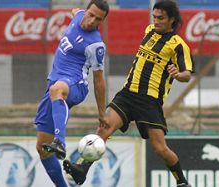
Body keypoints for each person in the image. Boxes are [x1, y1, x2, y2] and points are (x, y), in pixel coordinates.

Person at [63, 1, 193, 187]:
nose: (156, 21)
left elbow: (187, 74)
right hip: (127, 94)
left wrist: (177, 74)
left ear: (172, 20)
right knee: (104, 128)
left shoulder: (178, 45)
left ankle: (182, 182)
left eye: (161, 18)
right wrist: (79, 13)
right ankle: (81, 169)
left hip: (150, 102)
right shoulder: (149, 31)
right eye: (154, 17)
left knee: (159, 148)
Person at [34, 0, 109, 186]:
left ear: (102, 21)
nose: (92, 21)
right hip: (55, 86)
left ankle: (60, 142)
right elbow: (75, 10)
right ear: (86, 10)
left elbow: (99, 80)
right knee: (42, 148)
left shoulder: (96, 45)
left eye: (98, 19)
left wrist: (102, 114)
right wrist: (77, 11)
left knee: (57, 89)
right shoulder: (78, 15)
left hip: (76, 85)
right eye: (90, 15)